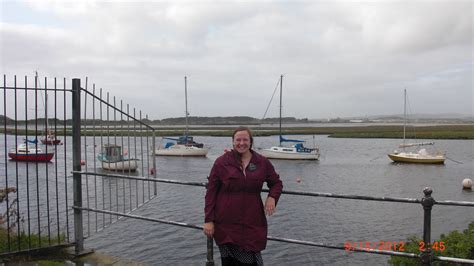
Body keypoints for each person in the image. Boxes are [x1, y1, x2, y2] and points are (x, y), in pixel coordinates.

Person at [204, 126, 283, 265]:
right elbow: (211, 192)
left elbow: (276, 183)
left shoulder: (262, 162)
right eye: (238, 140)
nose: (242, 143)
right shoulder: (222, 162)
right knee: (229, 261)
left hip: (252, 221)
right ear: (233, 142)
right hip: (226, 223)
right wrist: (208, 220)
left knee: (253, 260)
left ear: (251, 142)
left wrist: (272, 197)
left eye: (245, 139)